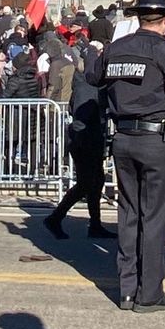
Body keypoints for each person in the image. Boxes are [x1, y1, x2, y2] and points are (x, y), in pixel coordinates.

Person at [91, 0, 165, 312]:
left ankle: (127, 290)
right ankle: (149, 293)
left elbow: (93, 77)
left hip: (123, 139)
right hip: (157, 141)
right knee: (155, 218)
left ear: (139, 17)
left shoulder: (115, 49)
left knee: (128, 215)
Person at [45, 42, 114, 240]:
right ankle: (55, 218)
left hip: (92, 140)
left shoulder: (94, 85)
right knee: (85, 184)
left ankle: (95, 224)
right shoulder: (86, 86)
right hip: (85, 142)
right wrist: (85, 142)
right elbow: (80, 120)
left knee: (96, 182)